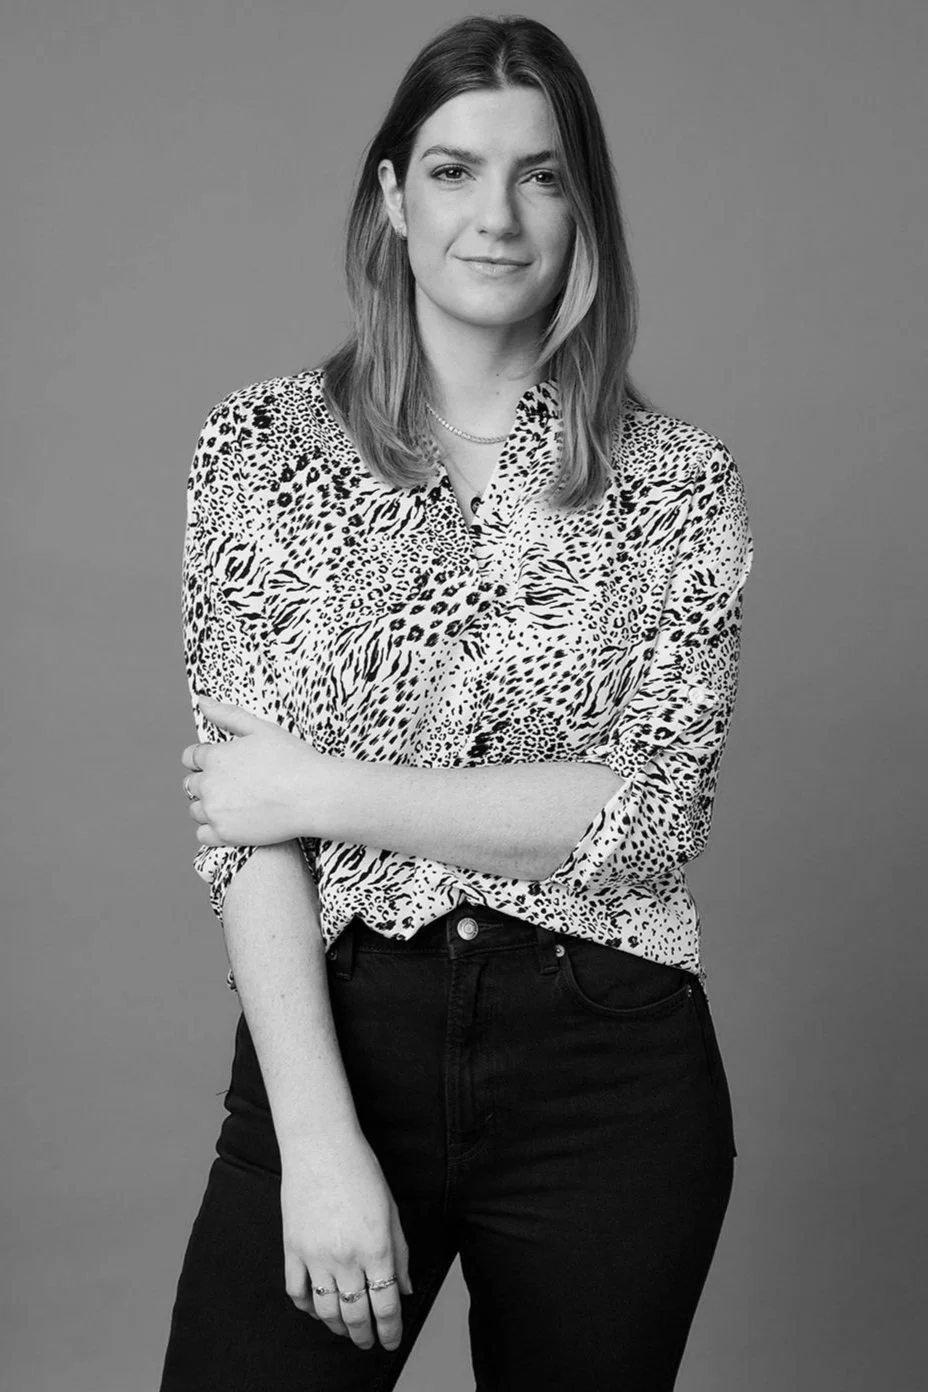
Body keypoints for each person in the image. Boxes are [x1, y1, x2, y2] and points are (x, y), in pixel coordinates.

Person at [159, 14, 754, 1390]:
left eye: (540, 175)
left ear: (582, 202)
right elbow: (241, 832)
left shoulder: (679, 485)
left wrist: (328, 789)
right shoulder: (259, 452)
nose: (496, 214)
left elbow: (645, 820)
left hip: (609, 1065)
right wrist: (314, 1143)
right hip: (340, 1033)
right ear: (390, 198)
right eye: (452, 170)